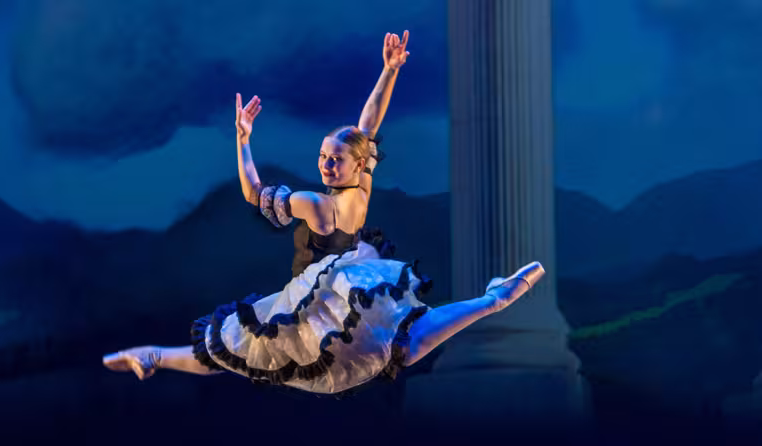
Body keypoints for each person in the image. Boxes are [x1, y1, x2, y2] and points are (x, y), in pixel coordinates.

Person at [103, 31, 544, 395]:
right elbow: (367, 127)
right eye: (322, 157)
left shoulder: (317, 204)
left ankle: (155, 355)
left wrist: (242, 141)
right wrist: (389, 71)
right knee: (401, 346)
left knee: (233, 346)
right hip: (354, 283)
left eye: (335, 159)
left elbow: (255, 193)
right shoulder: (361, 186)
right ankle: (493, 300)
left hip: (319, 302)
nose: (326, 164)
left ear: (355, 163)